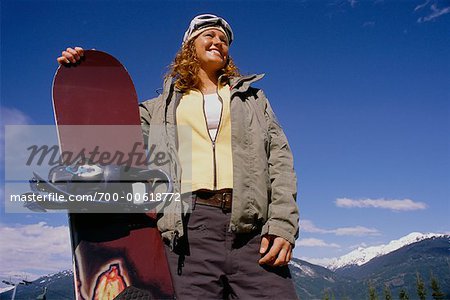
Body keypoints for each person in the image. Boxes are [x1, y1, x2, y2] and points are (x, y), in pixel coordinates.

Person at [58, 14, 299, 299]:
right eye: (209, 36)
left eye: (223, 40)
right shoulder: (160, 107)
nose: (218, 42)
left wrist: (283, 224)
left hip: (252, 232)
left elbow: (280, 161)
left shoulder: (254, 100)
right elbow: (110, 121)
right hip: (190, 232)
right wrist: (84, 69)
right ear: (189, 47)